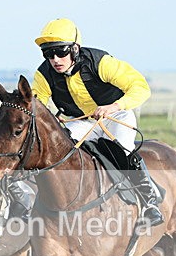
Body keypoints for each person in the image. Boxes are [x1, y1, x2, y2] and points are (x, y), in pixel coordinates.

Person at [31, 18, 163, 230]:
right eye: (48, 54)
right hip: (81, 122)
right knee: (59, 154)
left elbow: (140, 87)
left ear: (75, 48)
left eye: (60, 52)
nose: (55, 59)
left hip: (115, 117)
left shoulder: (101, 62)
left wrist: (114, 106)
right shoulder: (43, 74)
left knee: (122, 152)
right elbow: (37, 104)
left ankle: (148, 202)